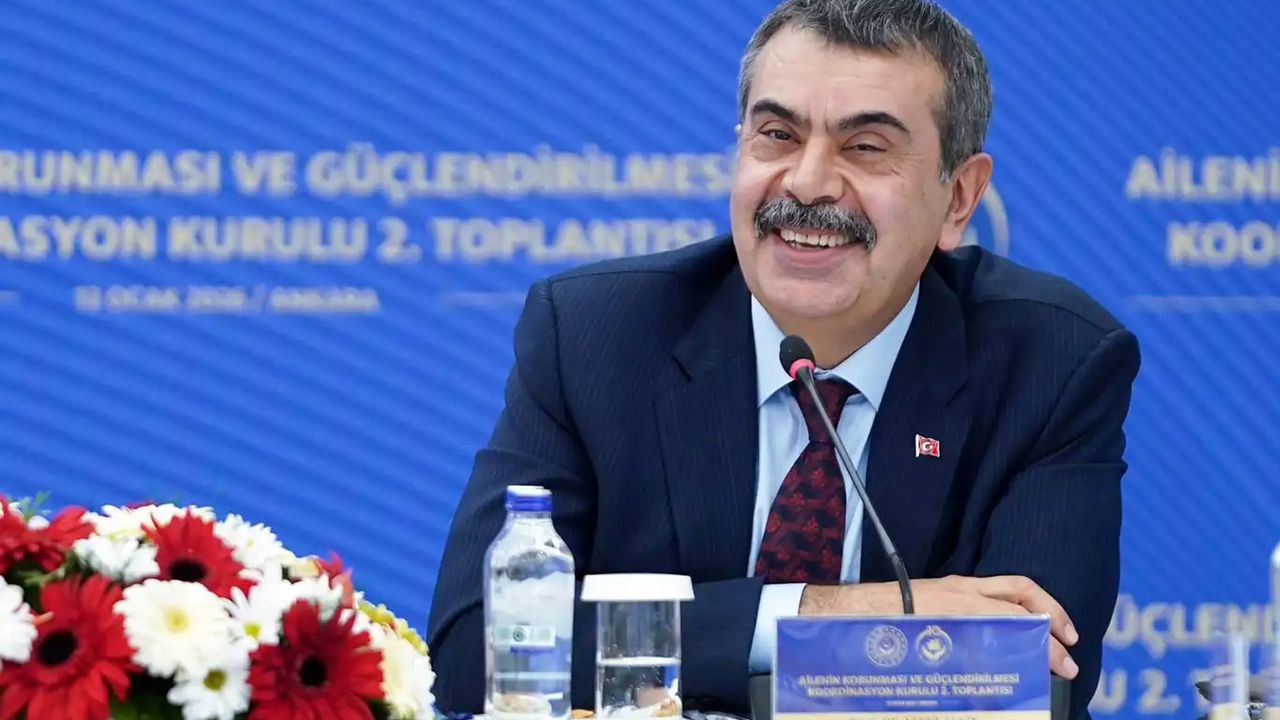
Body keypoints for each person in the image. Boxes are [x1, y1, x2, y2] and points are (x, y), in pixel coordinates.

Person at [427, 1, 1140, 718]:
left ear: (958, 198)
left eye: (865, 147)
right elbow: (479, 652)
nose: (806, 182)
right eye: (778, 135)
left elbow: (1031, 678)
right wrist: (837, 615)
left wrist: (721, 647)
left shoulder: (1051, 362)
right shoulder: (595, 335)